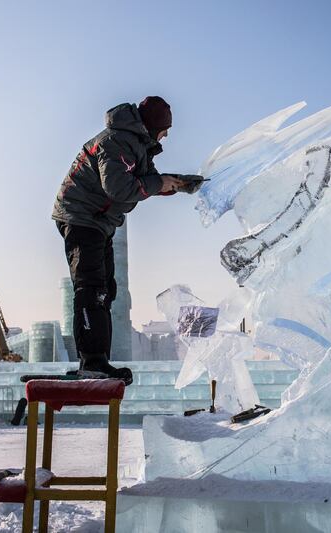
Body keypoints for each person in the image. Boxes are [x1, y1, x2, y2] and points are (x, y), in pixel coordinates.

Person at [52, 96, 204, 382]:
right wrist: (159, 183)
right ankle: (92, 362)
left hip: (98, 221)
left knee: (106, 289)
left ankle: (98, 360)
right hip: (81, 216)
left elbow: (145, 179)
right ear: (152, 125)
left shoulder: (134, 143)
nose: (166, 135)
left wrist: (177, 183)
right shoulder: (116, 141)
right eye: (165, 128)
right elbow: (119, 188)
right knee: (92, 288)